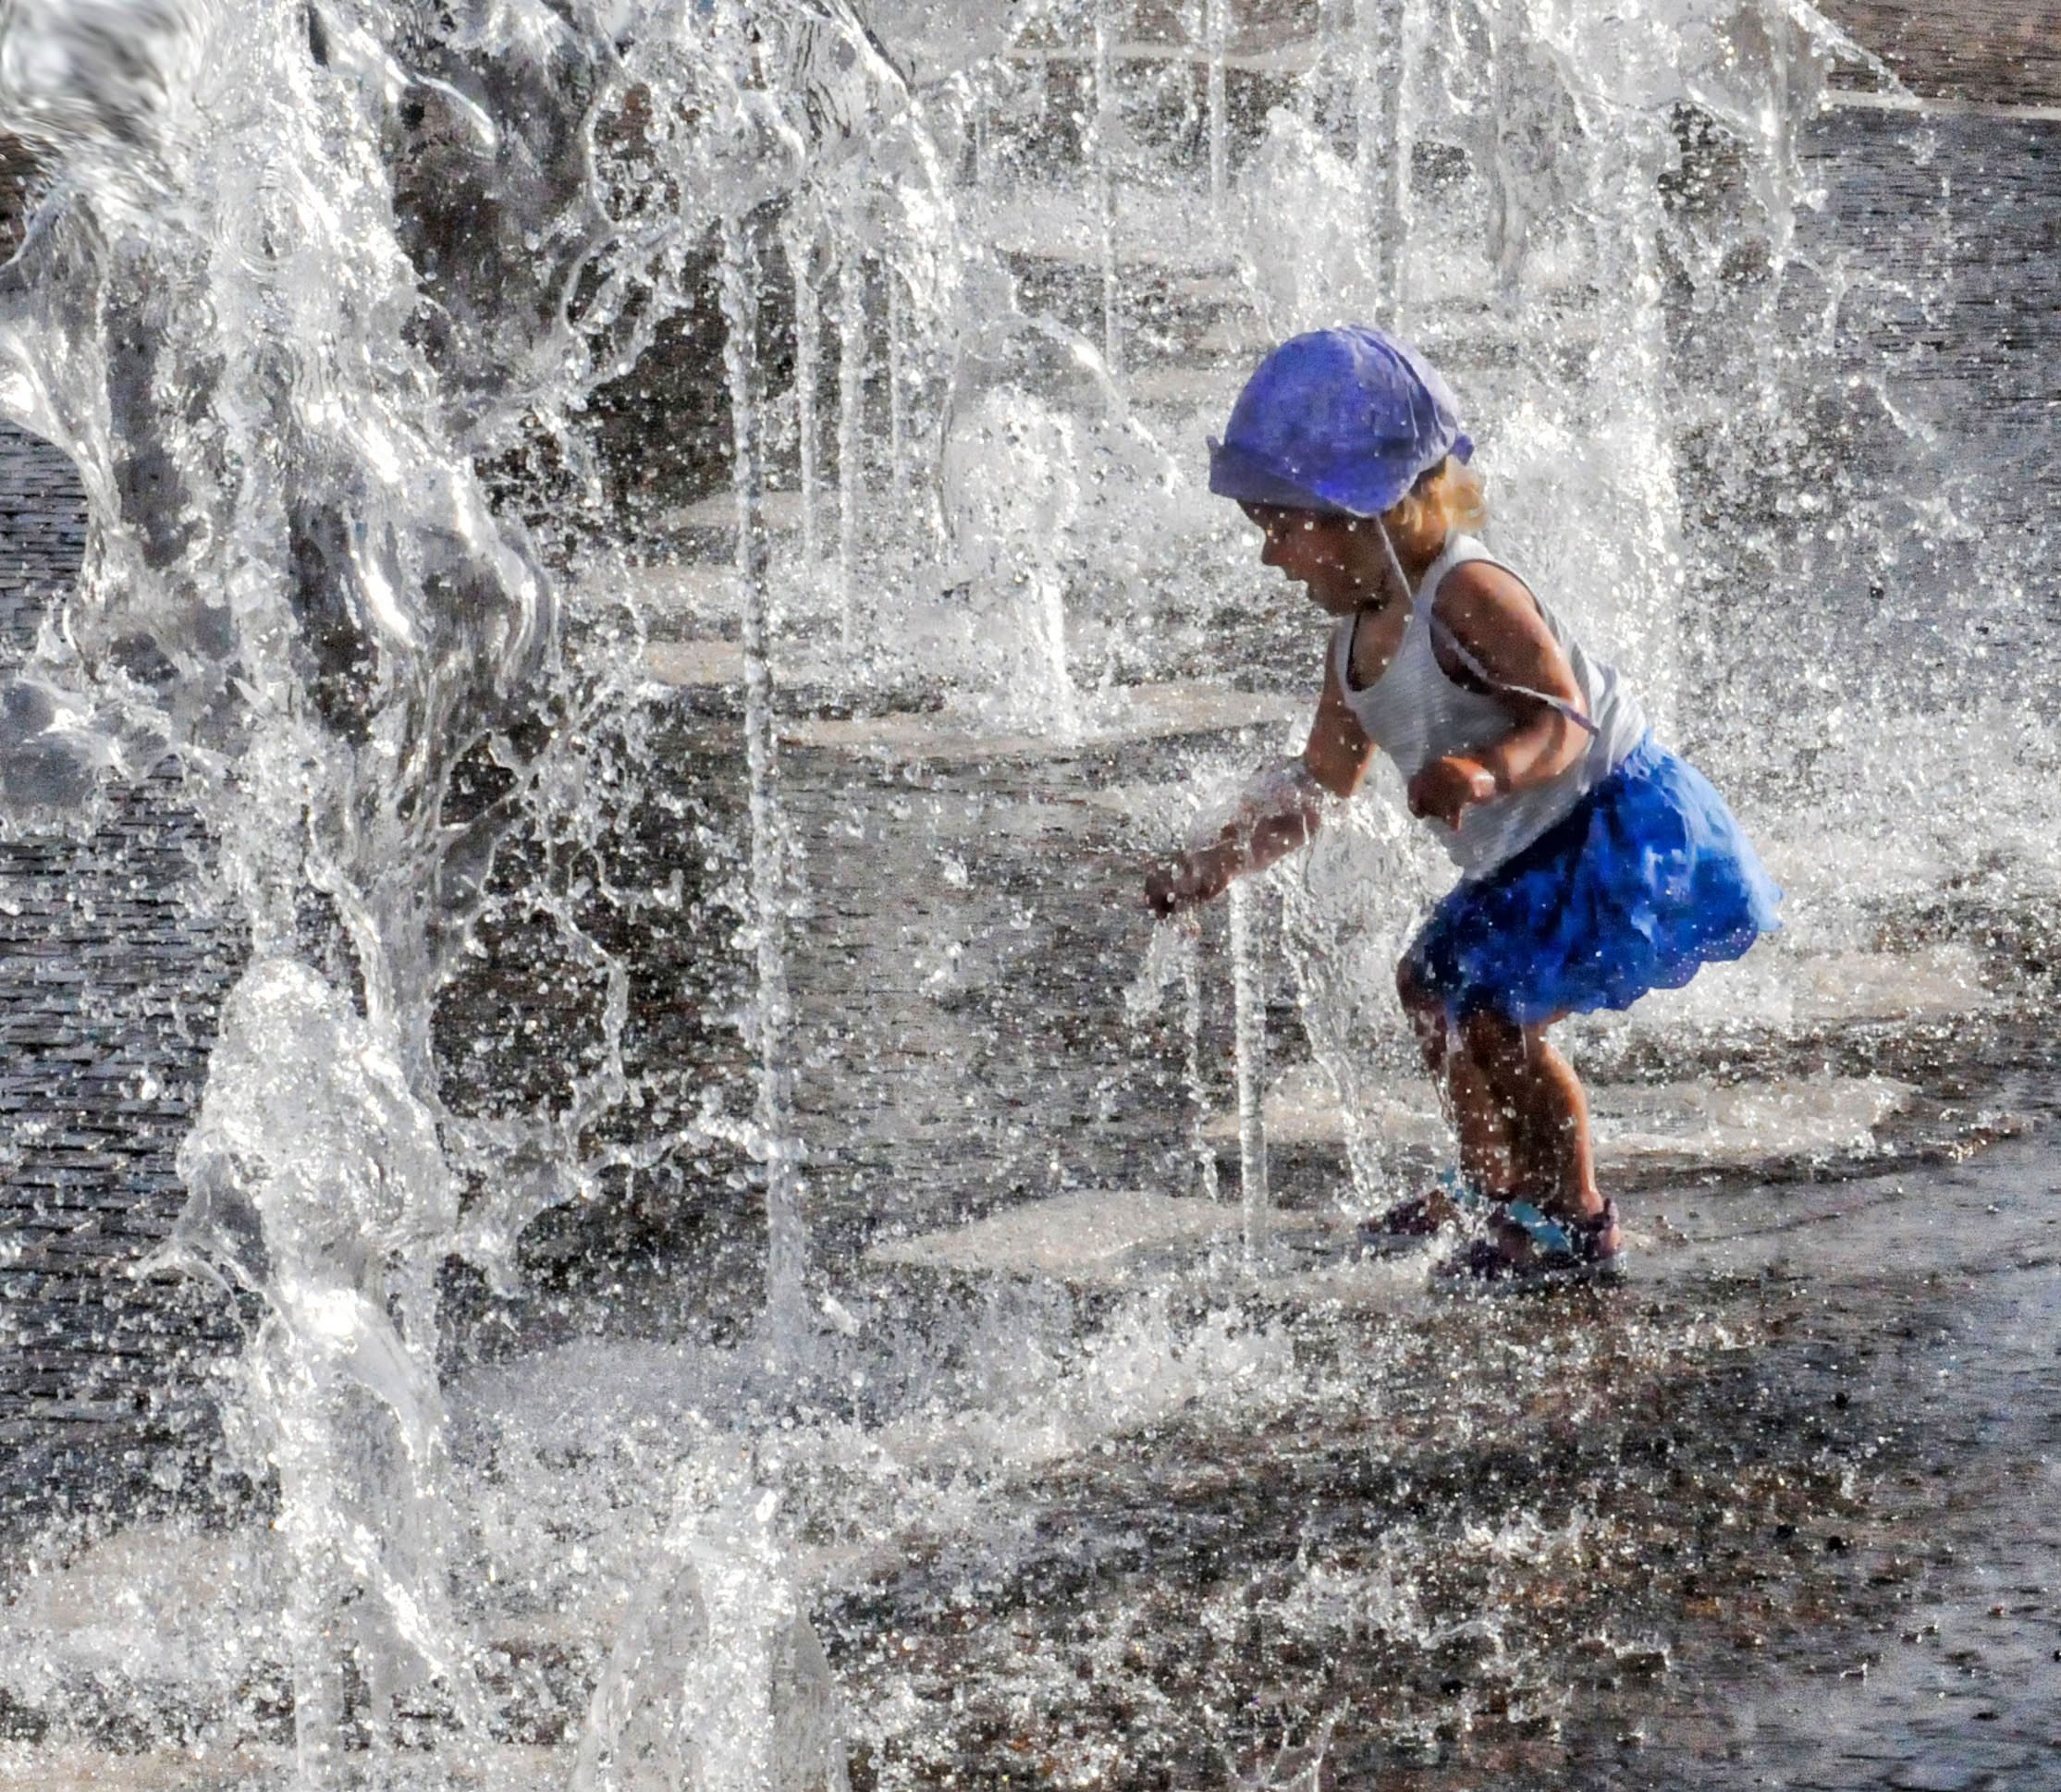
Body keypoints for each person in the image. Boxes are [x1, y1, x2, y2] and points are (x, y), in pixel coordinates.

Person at [1145, 325, 1781, 1279]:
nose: (1272, 558)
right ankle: (1492, 1179)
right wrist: (1218, 863)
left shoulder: (1466, 591)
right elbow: (1321, 784)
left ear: (1373, 505)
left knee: (1496, 1015)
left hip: (1607, 821)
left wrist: (1484, 773)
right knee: (1429, 988)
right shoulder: (1356, 642)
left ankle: (1572, 1215)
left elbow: (1562, 715)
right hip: (1525, 850)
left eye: (1284, 526)